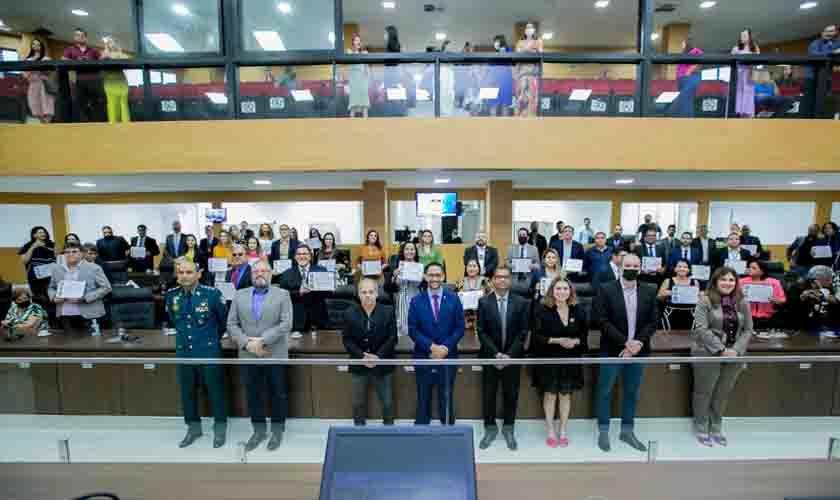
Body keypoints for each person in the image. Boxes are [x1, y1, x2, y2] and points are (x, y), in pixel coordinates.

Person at [593, 253, 659, 452]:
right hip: (612, 349)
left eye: (635, 265)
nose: (632, 268)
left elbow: (653, 321)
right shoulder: (606, 289)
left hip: (639, 350)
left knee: (632, 392)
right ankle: (603, 430)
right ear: (620, 267)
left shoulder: (649, 290)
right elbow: (601, 321)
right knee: (605, 391)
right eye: (628, 265)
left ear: (640, 269)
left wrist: (637, 343)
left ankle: (627, 431)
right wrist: (625, 343)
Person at [227, 261, 293, 451]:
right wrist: (248, 344)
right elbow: (231, 324)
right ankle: (258, 431)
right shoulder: (239, 295)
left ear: (271, 274)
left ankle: (277, 431)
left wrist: (261, 341)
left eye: (264, 270)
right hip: (248, 354)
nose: (260, 274)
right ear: (251, 274)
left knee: (277, 393)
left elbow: (286, 324)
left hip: (274, 352)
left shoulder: (283, 295)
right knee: (253, 394)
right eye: (256, 271)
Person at [165, 260, 228, 448]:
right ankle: (193, 428)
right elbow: (175, 321)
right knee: (187, 392)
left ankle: (220, 428)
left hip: (208, 350)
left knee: (215, 391)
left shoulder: (212, 295)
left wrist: (208, 340)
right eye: (181, 272)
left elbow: (222, 322)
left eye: (189, 272)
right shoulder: (172, 296)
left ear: (198, 274)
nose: (184, 276)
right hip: (184, 351)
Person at [691, 267, 753, 447]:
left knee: (722, 392)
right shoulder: (705, 300)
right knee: (704, 391)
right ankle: (701, 426)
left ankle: (716, 426)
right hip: (707, 351)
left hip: (735, 354)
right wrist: (720, 349)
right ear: (716, 282)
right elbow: (701, 328)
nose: (728, 283)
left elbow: (748, 329)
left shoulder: (742, 301)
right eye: (723, 279)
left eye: (731, 280)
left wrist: (736, 350)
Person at [476, 265, 529, 450]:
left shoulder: (522, 303)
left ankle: (508, 428)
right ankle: (490, 428)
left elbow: (523, 333)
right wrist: (496, 354)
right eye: (498, 277)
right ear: (492, 280)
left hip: (512, 358)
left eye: (506, 277)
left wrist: (508, 355)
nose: (502, 280)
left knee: (511, 394)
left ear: (510, 280)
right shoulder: (483, 302)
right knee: (489, 394)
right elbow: (481, 332)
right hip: (491, 358)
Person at [532, 276, 588, 448]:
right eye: (558, 288)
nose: (562, 291)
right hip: (549, 358)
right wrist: (558, 341)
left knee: (565, 395)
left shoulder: (578, 310)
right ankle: (550, 430)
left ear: (570, 291)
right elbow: (537, 337)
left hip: (570, 359)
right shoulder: (542, 309)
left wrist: (574, 342)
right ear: (552, 291)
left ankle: (563, 430)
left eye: (565, 288)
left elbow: (584, 337)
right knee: (550, 394)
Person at [409, 262, 464, 425]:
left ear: (443, 277)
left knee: (446, 396)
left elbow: (459, 327)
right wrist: (432, 347)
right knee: (423, 396)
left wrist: (445, 348)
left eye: (438, 275)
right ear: (425, 277)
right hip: (423, 355)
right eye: (431, 275)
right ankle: (421, 430)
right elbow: (413, 329)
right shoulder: (416, 301)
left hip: (448, 356)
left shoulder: (454, 299)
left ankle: (448, 430)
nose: (434, 278)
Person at [342, 278, 397, 426]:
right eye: (363, 292)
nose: (367, 295)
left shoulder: (388, 311)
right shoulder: (349, 313)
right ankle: (359, 430)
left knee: (387, 402)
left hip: (382, 363)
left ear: (377, 294)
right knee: (357, 403)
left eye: (371, 292)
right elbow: (347, 340)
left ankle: (389, 430)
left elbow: (392, 339)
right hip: (359, 364)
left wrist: (377, 357)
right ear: (358, 294)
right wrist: (362, 356)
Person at [48, 242, 111, 335]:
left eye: (74, 251)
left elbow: (106, 287)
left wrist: (85, 298)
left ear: (81, 253)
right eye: (67, 252)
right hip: (65, 315)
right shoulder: (57, 269)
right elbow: (51, 288)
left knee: (92, 346)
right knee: (68, 346)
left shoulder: (94, 268)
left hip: (89, 315)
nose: (70, 254)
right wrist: (53, 297)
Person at [277, 244, 328, 334]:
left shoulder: (321, 270)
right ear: (295, 257)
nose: (302, 256)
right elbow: (282, 295)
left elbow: (329, 293)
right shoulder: (286, 274)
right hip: (296, 319)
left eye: (305, 254)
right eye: (299, 254)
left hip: (318, 318)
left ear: (310, 256)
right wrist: (298, 292)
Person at [62, 28, 103, 122]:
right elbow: (63, 60)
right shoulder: (70, 49)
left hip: (95, 80)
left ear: (85, 38)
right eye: (77, 35)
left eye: (82, 35)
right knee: (81, 104)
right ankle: (84, 125)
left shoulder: (93, 50)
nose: (79, 37)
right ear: (74, 37)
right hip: (80, 80)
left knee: (96, 104)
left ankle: (97, 125)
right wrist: (76, 61)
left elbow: (102, 60)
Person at [386, 241, 423, 337]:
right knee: (402, 326)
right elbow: (390, 286)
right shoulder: (397, 266)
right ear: (403, 251)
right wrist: (394, 276)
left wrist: (423, 277)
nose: (409, 251)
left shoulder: (420, 266)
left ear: (415, 252)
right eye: (407, 249)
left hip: (416, 296)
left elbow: (423, 285)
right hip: (401, 297)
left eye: (412, 249)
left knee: (417, 324)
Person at [789, 265, 840, 332]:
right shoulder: (798, 287)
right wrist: (803, 297)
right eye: (827, 280)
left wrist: (823, 293)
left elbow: (836, 301)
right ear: (816, 280)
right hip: (803, 325)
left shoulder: (830, 287)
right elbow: (792, 304)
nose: (830, 282)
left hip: (828, 325)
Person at [740, 260, 786, 331]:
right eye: (749, 267)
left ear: (762, 271)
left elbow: (782, 300)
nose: (749, 269)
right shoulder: (742, 282)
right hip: (746, 317)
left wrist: (775, 300)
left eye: (753, 268)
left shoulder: (774, 282)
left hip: (767, 317)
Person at [657, 260, 701, 330]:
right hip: (671, 313)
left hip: (690, 314)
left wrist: (700, 295)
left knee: (689, 338)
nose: (682, 269)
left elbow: (698, 299)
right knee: (669, 337)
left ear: (689, 270)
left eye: (685, 267)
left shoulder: (695, 282)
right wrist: (669, 293)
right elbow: (659, 297)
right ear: (675, 269)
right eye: (679, 266)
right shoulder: (668, 281)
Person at [805, 25, 839, 115]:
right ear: (822, 33)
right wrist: (833, 52)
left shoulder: (835, 43)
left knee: (824, 100)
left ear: (836, 32)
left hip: (826, 77)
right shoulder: (815, 43)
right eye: (827, 31)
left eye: (831, 31)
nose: (829, 33)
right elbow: (815, 55)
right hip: (811, 77)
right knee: (810, 101)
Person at [18, 226, 56, 305]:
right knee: (39, 299)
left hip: (50, 276)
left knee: (51, 297)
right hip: (35, 278)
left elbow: (57, 258)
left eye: (44, 232)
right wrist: (34, 246)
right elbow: (25, 260)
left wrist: (48, 248)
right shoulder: (27, 246)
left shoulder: (51, 244)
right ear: (34, 235)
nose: (43, 233)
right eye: (40, 232)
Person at [514, 22, 543, 117]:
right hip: (522, 74)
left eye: (531, 28)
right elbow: (517, 55)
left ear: (534, 30)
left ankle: (532, 118)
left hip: (533, 74)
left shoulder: (538, 41)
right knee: (521, 96)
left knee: (533, 97)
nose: (529, 29)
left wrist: (527, 51)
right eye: (527, 28)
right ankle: (520, 117)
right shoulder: (520, 42)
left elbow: (540, 54)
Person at [23, 38, 55, 123]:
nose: (36, 46)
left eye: (38, 44)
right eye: (33, 44)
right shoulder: (28, 60)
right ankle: (42, 124)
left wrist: (41, 69)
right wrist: (30, 71)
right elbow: (25, 75)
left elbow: (50, 72)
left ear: (41, 47)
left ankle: (47, 125)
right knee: (35, 107)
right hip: (33, 85)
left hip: (43, 84)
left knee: (47, 107)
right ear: (31, 46)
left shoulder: (46, 59)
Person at [731, 28, 760, 118]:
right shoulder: (736, 48)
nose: (742, 37)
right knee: (739, 93)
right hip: (739, 75)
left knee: (748, 93)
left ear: (749, 37)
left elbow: (758, 62)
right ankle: (738, 113)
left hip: (749, 74)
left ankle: (748, 115)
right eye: (741, 36)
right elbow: (731, 61)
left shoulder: (755, 48)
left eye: (744, 35)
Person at [102, 37, 131, 123]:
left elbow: (128, 59)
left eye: (112, 42)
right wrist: (107, 49)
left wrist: (119, 52)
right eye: (108, 43)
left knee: (123, 104)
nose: (111, 44)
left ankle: (126, 125)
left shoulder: (119, 53)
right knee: (112, 105)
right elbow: (104, 58)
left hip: (121, 82)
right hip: (110, 83)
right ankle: (114, 125)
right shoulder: (104, 54)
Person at [456, 258, 489, 330]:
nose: (472, 269)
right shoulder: (461, 281)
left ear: (478, 268)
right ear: (466, 268)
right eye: (469, 266)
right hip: (465, 315)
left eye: (474, 266)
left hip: (481, 314)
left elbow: (490, 297)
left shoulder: (484, 280)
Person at [674, 38, 703, 117]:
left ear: (687, 44)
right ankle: (684, 119)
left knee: (685, 99)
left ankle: (687, 119)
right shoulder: (684, 53)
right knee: (684, 100)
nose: (682, 45)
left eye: (683, 43)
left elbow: (698, 62)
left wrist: (688, 72)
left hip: (690, 78)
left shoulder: (696, 51)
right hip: (682, 79)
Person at [487, 35, 514, 117]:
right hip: (493, 82)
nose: (495, 44)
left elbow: (511, 63)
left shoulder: (509, 50)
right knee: (492, 104)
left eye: (496, 41)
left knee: (505, 105)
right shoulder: (494, 54)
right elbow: (490, 68)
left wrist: (503, 51)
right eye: (494, 42)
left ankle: (504, 127)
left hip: (505, 82)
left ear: (501, 42)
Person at [347, 34, 371, 118]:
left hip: (362, 80)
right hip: (354, 80)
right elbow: (349, 65)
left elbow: (367, 69)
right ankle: (351, 127)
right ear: (353, 42)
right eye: (356, 40)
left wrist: (368, 80)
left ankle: (366, 125)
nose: (358, 42)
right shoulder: (349, 52)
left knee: (364, 104)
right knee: (353, 104)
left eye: (359, 40)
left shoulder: (364, 53)